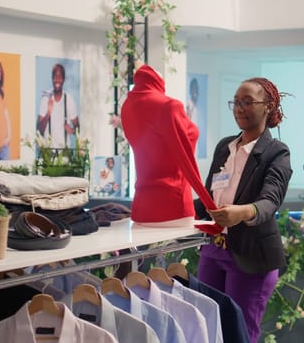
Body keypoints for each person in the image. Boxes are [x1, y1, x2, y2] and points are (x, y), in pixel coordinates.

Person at [194, 77, 293, 343]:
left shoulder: (277, 152)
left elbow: (270, 200)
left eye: (247, 102)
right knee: (207, 328)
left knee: (239, 333)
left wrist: (242, 212)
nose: (239, 108)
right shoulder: (224, 147)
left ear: (268, 107)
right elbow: (207, 201)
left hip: (252, 255)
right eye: (236, 102)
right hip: (214, 248)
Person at [121, 63, 217, 226]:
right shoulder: (169, 106)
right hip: (174, 205)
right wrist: (210, 205)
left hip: (141, 209)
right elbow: (186, 160)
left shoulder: (127, 107)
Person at [37, 63, 79, 148]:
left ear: (63, 79)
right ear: (52, 78)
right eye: (55, 76)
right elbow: (39, 130)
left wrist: (73, 131)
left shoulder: (69, 99)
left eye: (60, 76)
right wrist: (48, 112)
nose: (57, 79)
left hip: (65, 152)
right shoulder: (46, 98)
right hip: (48, 153)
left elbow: (78, 128)